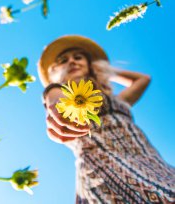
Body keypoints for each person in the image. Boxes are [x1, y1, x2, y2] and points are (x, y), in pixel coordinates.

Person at [37, 35, 175, 204]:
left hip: (150, 162)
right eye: (63, 60)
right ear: (55, 71)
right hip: (102, 168)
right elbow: (55, 96)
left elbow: (143, 79)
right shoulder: (63, 95)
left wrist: (102, 70)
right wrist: (52, 95)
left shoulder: (117, 100)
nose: (72, 62)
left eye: (78, 58)